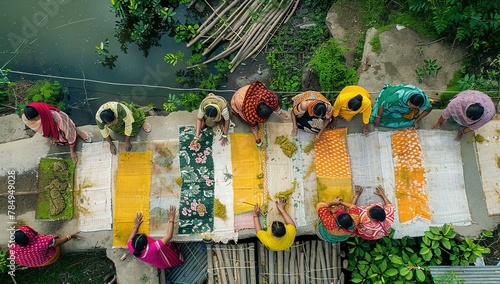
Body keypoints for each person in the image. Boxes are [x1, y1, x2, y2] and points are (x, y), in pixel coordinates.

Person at [22, 102, 92, 163]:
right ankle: (55, 137)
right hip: (49, 122)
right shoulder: (27, 116)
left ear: (39, 115)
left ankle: (78, 132)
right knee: (57, 137)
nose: (34, 121)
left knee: (69, 131)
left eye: (35, 119)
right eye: (32, 119)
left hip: (62, 122)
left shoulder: (57, 117)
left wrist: (72, 151)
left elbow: (69, 132)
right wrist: (51, 137)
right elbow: (40, 128)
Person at [231, 81, 288, 147]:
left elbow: (274, 104)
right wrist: (257, 139)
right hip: (239, 98)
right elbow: (253, 125)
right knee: (243, 117)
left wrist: (280, 112)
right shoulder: (249, 113)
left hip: (248, 91)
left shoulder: (268, 96)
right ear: (256, 113)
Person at [431, 90, 496, 141]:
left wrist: (462, 132)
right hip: (470, 98)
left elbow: (475, 126)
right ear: (466, 109)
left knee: (462, 124)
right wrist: (439, 122)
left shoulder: (488, 114)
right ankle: (454, 120)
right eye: (468, 116)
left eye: (472, 120)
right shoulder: (458, 102)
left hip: (485, 103)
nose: (468, 120)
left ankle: (462, 124)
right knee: (452, 120)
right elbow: (446, 112)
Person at [8, 225, 82, 267]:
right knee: (54, 240)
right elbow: (59, 242)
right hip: (48, 259)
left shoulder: (13, 248)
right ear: (30, 235)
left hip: (34, 262)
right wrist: (71, 236)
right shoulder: (41, 242)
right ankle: (54, 256)